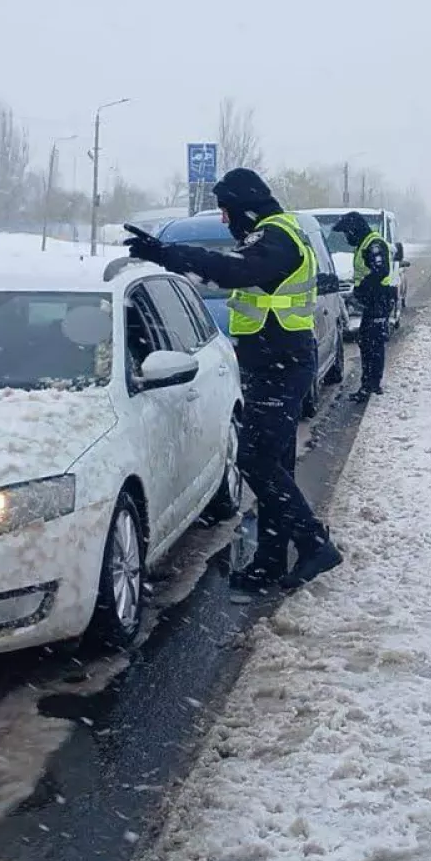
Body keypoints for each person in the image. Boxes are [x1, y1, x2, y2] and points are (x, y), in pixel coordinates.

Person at [124, 168, 343, 591]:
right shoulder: (274, 232)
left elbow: (233, 270)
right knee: (275, 465)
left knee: (255, 461)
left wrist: (168, 253)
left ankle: (314, 543)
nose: (225, 220)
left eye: (226, 211)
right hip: (275, 363)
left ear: (245, 206)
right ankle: (270, 561)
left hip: (281, 365)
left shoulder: (277, 236)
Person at [331, 211, 393, 401]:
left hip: (378, 300)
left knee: (373, 344)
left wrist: (362, 290)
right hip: (372, 301)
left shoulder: (374, 244)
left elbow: (380, 271)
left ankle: (371, 386)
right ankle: (369, 384)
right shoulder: (364, 244)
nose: (346, 237)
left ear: (354, 230)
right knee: (367, 343)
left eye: (347, 233)